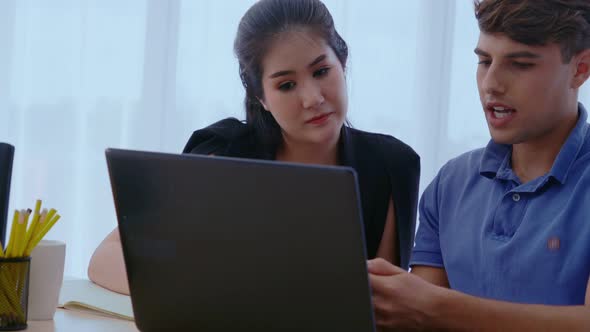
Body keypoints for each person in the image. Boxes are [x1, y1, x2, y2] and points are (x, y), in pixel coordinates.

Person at [89, 0, 420, 295]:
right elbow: (106, 258)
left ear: (342, 62)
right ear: (261, 97)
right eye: (286, 85)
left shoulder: (390, 165)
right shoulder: (223, 153)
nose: (313, 98)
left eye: (321, 71)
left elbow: (383, 306)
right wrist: (208, 285)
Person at [368, 0, 590, 330]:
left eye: (521, 64)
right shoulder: (450, 185)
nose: (491, 84)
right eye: (484, 61)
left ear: (580, 68)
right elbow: (418, 319)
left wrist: (435, 306)